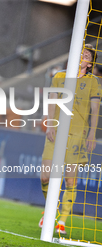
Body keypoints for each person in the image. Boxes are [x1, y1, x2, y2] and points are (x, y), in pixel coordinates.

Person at [39, 44, 101, 234]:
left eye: (88, 54)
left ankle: (62, 220)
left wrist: (92, 133)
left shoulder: (93, 81)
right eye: (82, 51)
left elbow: (95, 109)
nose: (83, 54)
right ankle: (50, 211)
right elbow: (52, 98)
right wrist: (50, 123)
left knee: (70, 179)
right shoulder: (60, 76)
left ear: (90, 63)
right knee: (45, 175)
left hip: (77, 134)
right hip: (56, 131)